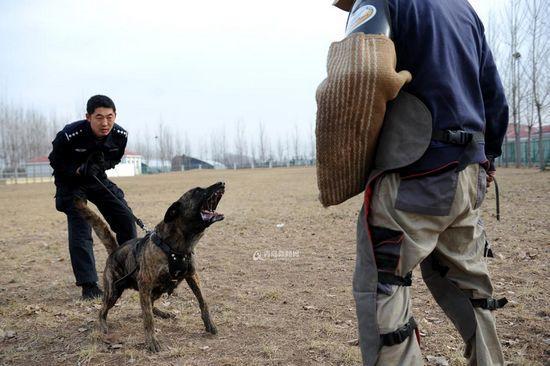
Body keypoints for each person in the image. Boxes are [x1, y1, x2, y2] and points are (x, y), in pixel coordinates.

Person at [331, 0, 510, 365]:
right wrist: (487, 159)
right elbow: (494, 93)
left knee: (383, 281)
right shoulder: (464, 9)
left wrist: (352, 155)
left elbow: (359, 72)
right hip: (468, 173)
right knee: (467, 282)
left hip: (415, 172)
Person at [49, 95, 137, 300]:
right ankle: (89, 285)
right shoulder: (71, 135)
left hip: (96, 179)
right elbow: (55, 160)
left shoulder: (120, 135)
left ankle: (130, 271)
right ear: (88, 117)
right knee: (81, 228)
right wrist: (78, 169)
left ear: (115, 116)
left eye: (109, 116)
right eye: (99, 117)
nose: (105, 123)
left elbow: (114, 158)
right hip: (70, 182)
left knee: (125, 217)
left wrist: (100, 166)